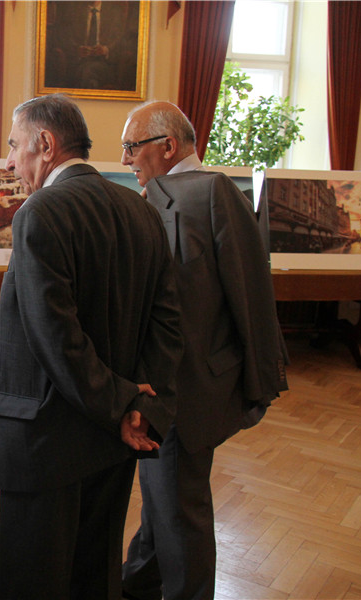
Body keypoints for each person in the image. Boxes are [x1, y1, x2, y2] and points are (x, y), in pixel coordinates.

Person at [0, 93, 183, 599]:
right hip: (113, 441)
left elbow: (55, 336)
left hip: (46, 442)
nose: (9, 161)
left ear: (45, 144)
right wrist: (139, 405)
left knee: (35, 583)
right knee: (95, 579)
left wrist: (121, 403)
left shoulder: (40, 212)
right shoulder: (141, 212)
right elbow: (167, 322)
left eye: (14, 146)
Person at [119, 101, 289, 600]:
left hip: (188, 388)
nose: (125, 157)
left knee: (177, 506)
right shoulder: (157, 196)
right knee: (162, 497)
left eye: (132, 146)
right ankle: (135, 583)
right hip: (158, 386)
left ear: (168, 146)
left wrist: (262, 382)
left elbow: (251, 291)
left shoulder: (214, 191)